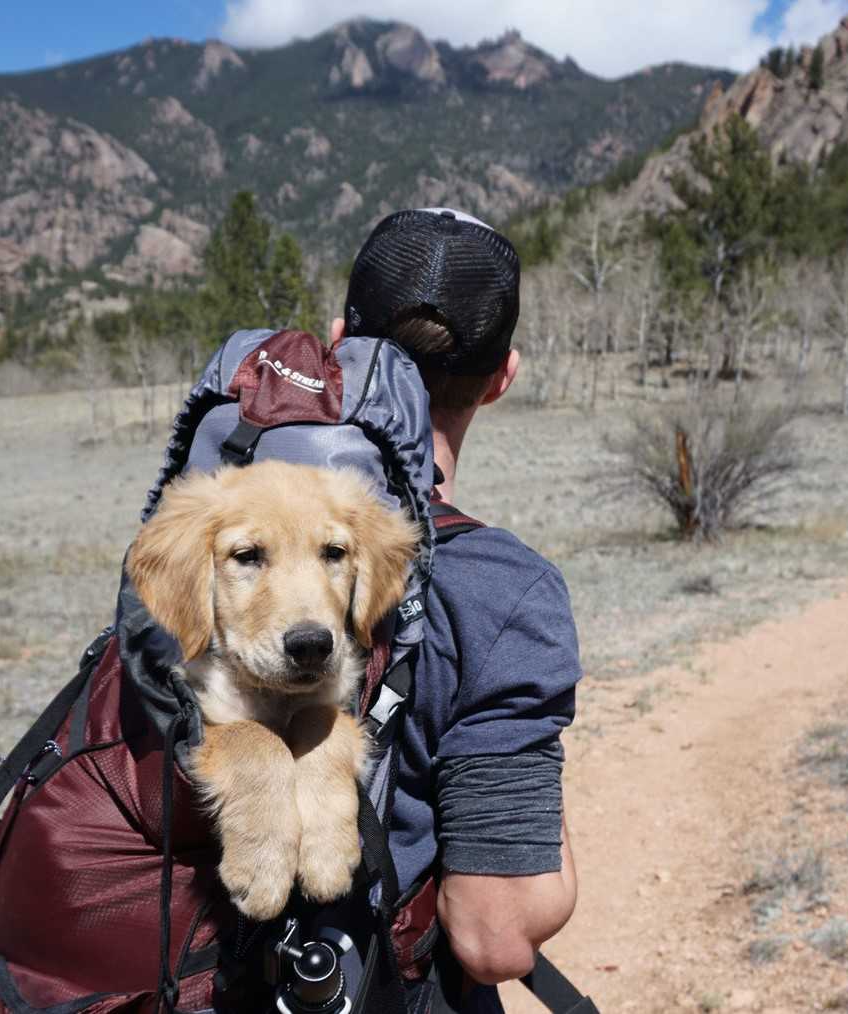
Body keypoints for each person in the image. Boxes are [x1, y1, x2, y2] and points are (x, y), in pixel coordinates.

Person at [336, 208, 581, 1011]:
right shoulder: (502, 593)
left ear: (338, 340)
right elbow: (492, 937)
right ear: (502, 376)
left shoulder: (210, 523)